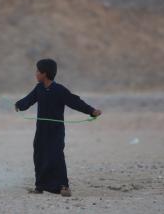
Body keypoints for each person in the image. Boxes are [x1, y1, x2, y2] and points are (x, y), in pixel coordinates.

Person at [15, 58, 102, 197]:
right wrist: (19, 105)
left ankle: (63, 186)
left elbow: (75, 102)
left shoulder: (59, 90)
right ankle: (39, 186)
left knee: (56, 156)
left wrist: (91, 111)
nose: (35, 73)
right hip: (42, 130)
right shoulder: (39, 89)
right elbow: (28, 100)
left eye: (37, 71)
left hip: (56, 131)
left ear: (45, 73)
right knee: (39, 155)